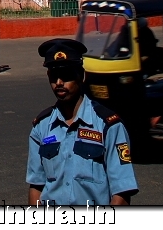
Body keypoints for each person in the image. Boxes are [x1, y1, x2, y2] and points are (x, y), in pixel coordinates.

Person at [26, 38, 138, 207]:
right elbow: (36, 186)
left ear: (82, 75)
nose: (59, 83)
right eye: (54, 76)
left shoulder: (108, 126)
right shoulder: (41, 127)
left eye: (66, 75)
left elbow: (122, 192)